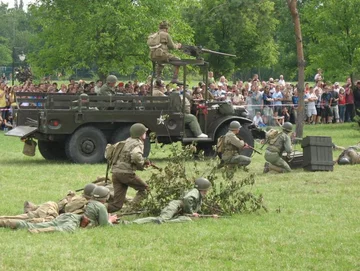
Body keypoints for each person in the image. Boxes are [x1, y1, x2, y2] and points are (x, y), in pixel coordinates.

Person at [0, 186, 116, 233]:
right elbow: (104, 225)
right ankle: (35, 230)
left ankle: (3, 221)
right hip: (62, 217)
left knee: (28, 220)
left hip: (62, 214)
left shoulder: (85, 201)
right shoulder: (96, 205)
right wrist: (110, 220)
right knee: (34, 224)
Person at [107, 123, 150, 213]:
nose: (145, 134)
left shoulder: (126, 141)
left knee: (117, 205)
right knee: (144, 189)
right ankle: (132, 209)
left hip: (115, 173)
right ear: (141, 134)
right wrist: (141, 164)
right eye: (145, 132)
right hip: (126, 174)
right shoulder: (137, 143)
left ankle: (97, 209)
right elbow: (135, 155)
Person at [0, 183, 97, 223]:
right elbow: (68, 209)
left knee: (23, 217)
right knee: (30, 222)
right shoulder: (82, 200)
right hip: (51, 211)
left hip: (49, 207)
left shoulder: (79, 197)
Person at [133, 177, 213, 224]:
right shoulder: (195, 192)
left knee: (171, 221)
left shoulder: (198, 197)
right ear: (204, 189)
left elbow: (196, 211)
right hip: (175, 206)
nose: (206, 192)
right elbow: (187, 199)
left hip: (178, 209)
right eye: (206, 190)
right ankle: (134, 223)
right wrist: (191, 213)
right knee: (161, 220)